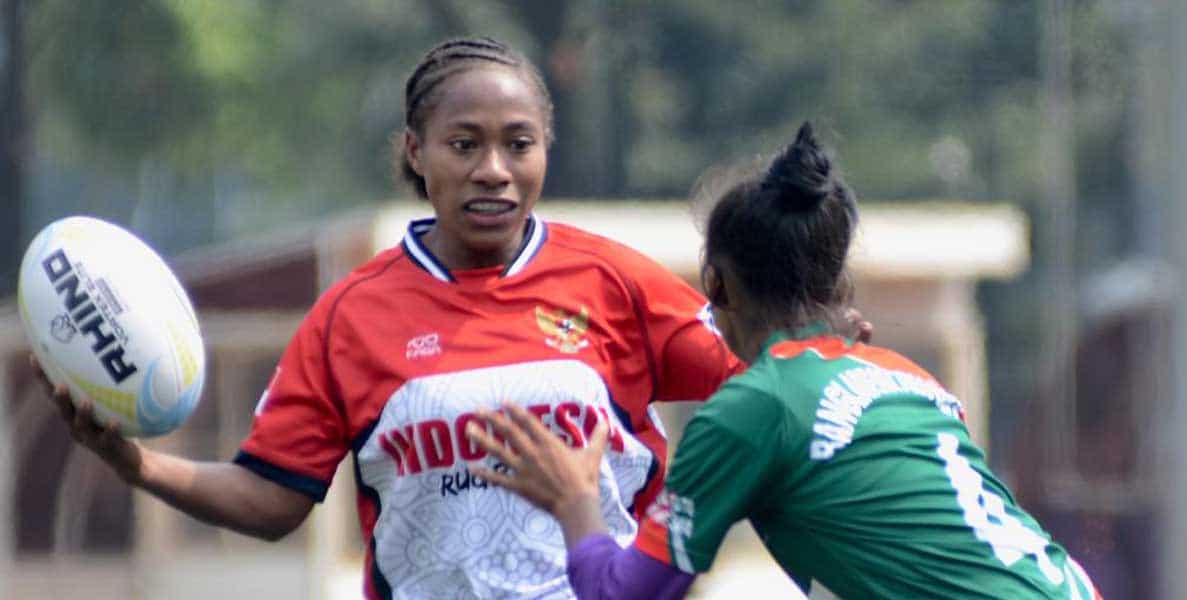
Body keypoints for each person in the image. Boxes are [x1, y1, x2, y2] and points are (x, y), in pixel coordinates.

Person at [34, 36, 750, 599]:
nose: (494, 168)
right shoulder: (351, 317)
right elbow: (275, 497)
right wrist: (137, 464)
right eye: (464, 144)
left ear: (544, 151)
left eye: (519, 143)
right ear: (417, 151)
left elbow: (759, 386)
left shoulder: (613, 281)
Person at [465, 123, 1104, 599]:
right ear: (839, 286)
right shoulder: (909, 379)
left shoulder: (752, 408)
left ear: (715, 285)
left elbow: (624, 595)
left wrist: (576, 499)